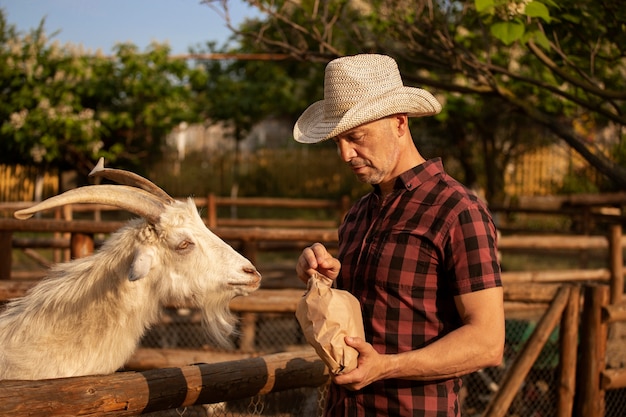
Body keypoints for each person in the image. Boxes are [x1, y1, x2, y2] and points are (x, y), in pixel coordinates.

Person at [294, 54, 505, 416]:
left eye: (356, 137)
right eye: (337, 142)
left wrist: (386, 366)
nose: (345, 154)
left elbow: (487, 342)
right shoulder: (359, 214)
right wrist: (327, 279)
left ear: (400, 122)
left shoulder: (457, 211)